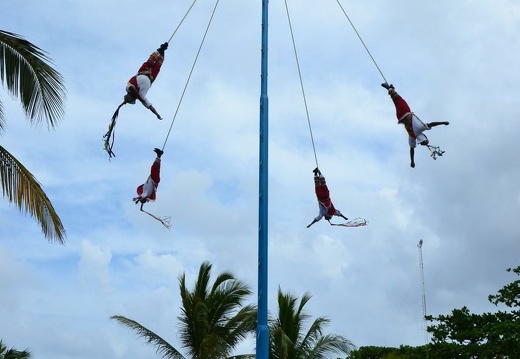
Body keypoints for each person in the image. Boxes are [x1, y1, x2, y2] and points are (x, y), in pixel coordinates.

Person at [381, 82, 449, 168]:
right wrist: (443, 123)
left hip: (402, 115)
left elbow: (412, 150)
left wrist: (412, 161)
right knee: (397, 100)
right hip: (404, 114)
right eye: (424, 142)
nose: (423, 142)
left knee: (397, 101)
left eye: (422, 143)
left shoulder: (413, 137)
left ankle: (391, 88)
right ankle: (390, 88)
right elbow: (432, 124)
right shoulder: (420, 129)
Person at [124, 42, 169, 120]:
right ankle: (162, 51)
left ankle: (159, 50)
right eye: (129, 98)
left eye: (127, 96)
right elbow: (150, 107)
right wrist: (157, 114)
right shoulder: (142, 97)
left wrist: (138, 96)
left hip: (142, 72)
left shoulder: (128, 89)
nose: (128, 96)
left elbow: (132, 88)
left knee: (149, 62)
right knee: (157, 66)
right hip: (151, 78)